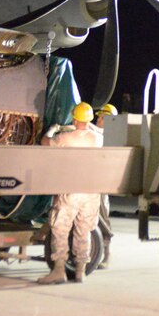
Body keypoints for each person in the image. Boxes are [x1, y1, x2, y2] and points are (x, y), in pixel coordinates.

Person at [36, 101, 105, 284]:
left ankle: (59, 270)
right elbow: (95, 130)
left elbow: (45, 143)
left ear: (74, 119)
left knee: (60, 229)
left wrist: (52, 130)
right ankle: (80, 271)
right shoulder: (97, 139)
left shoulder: (65, 138)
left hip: (71, 191)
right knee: (84, 231)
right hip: (91, 192)